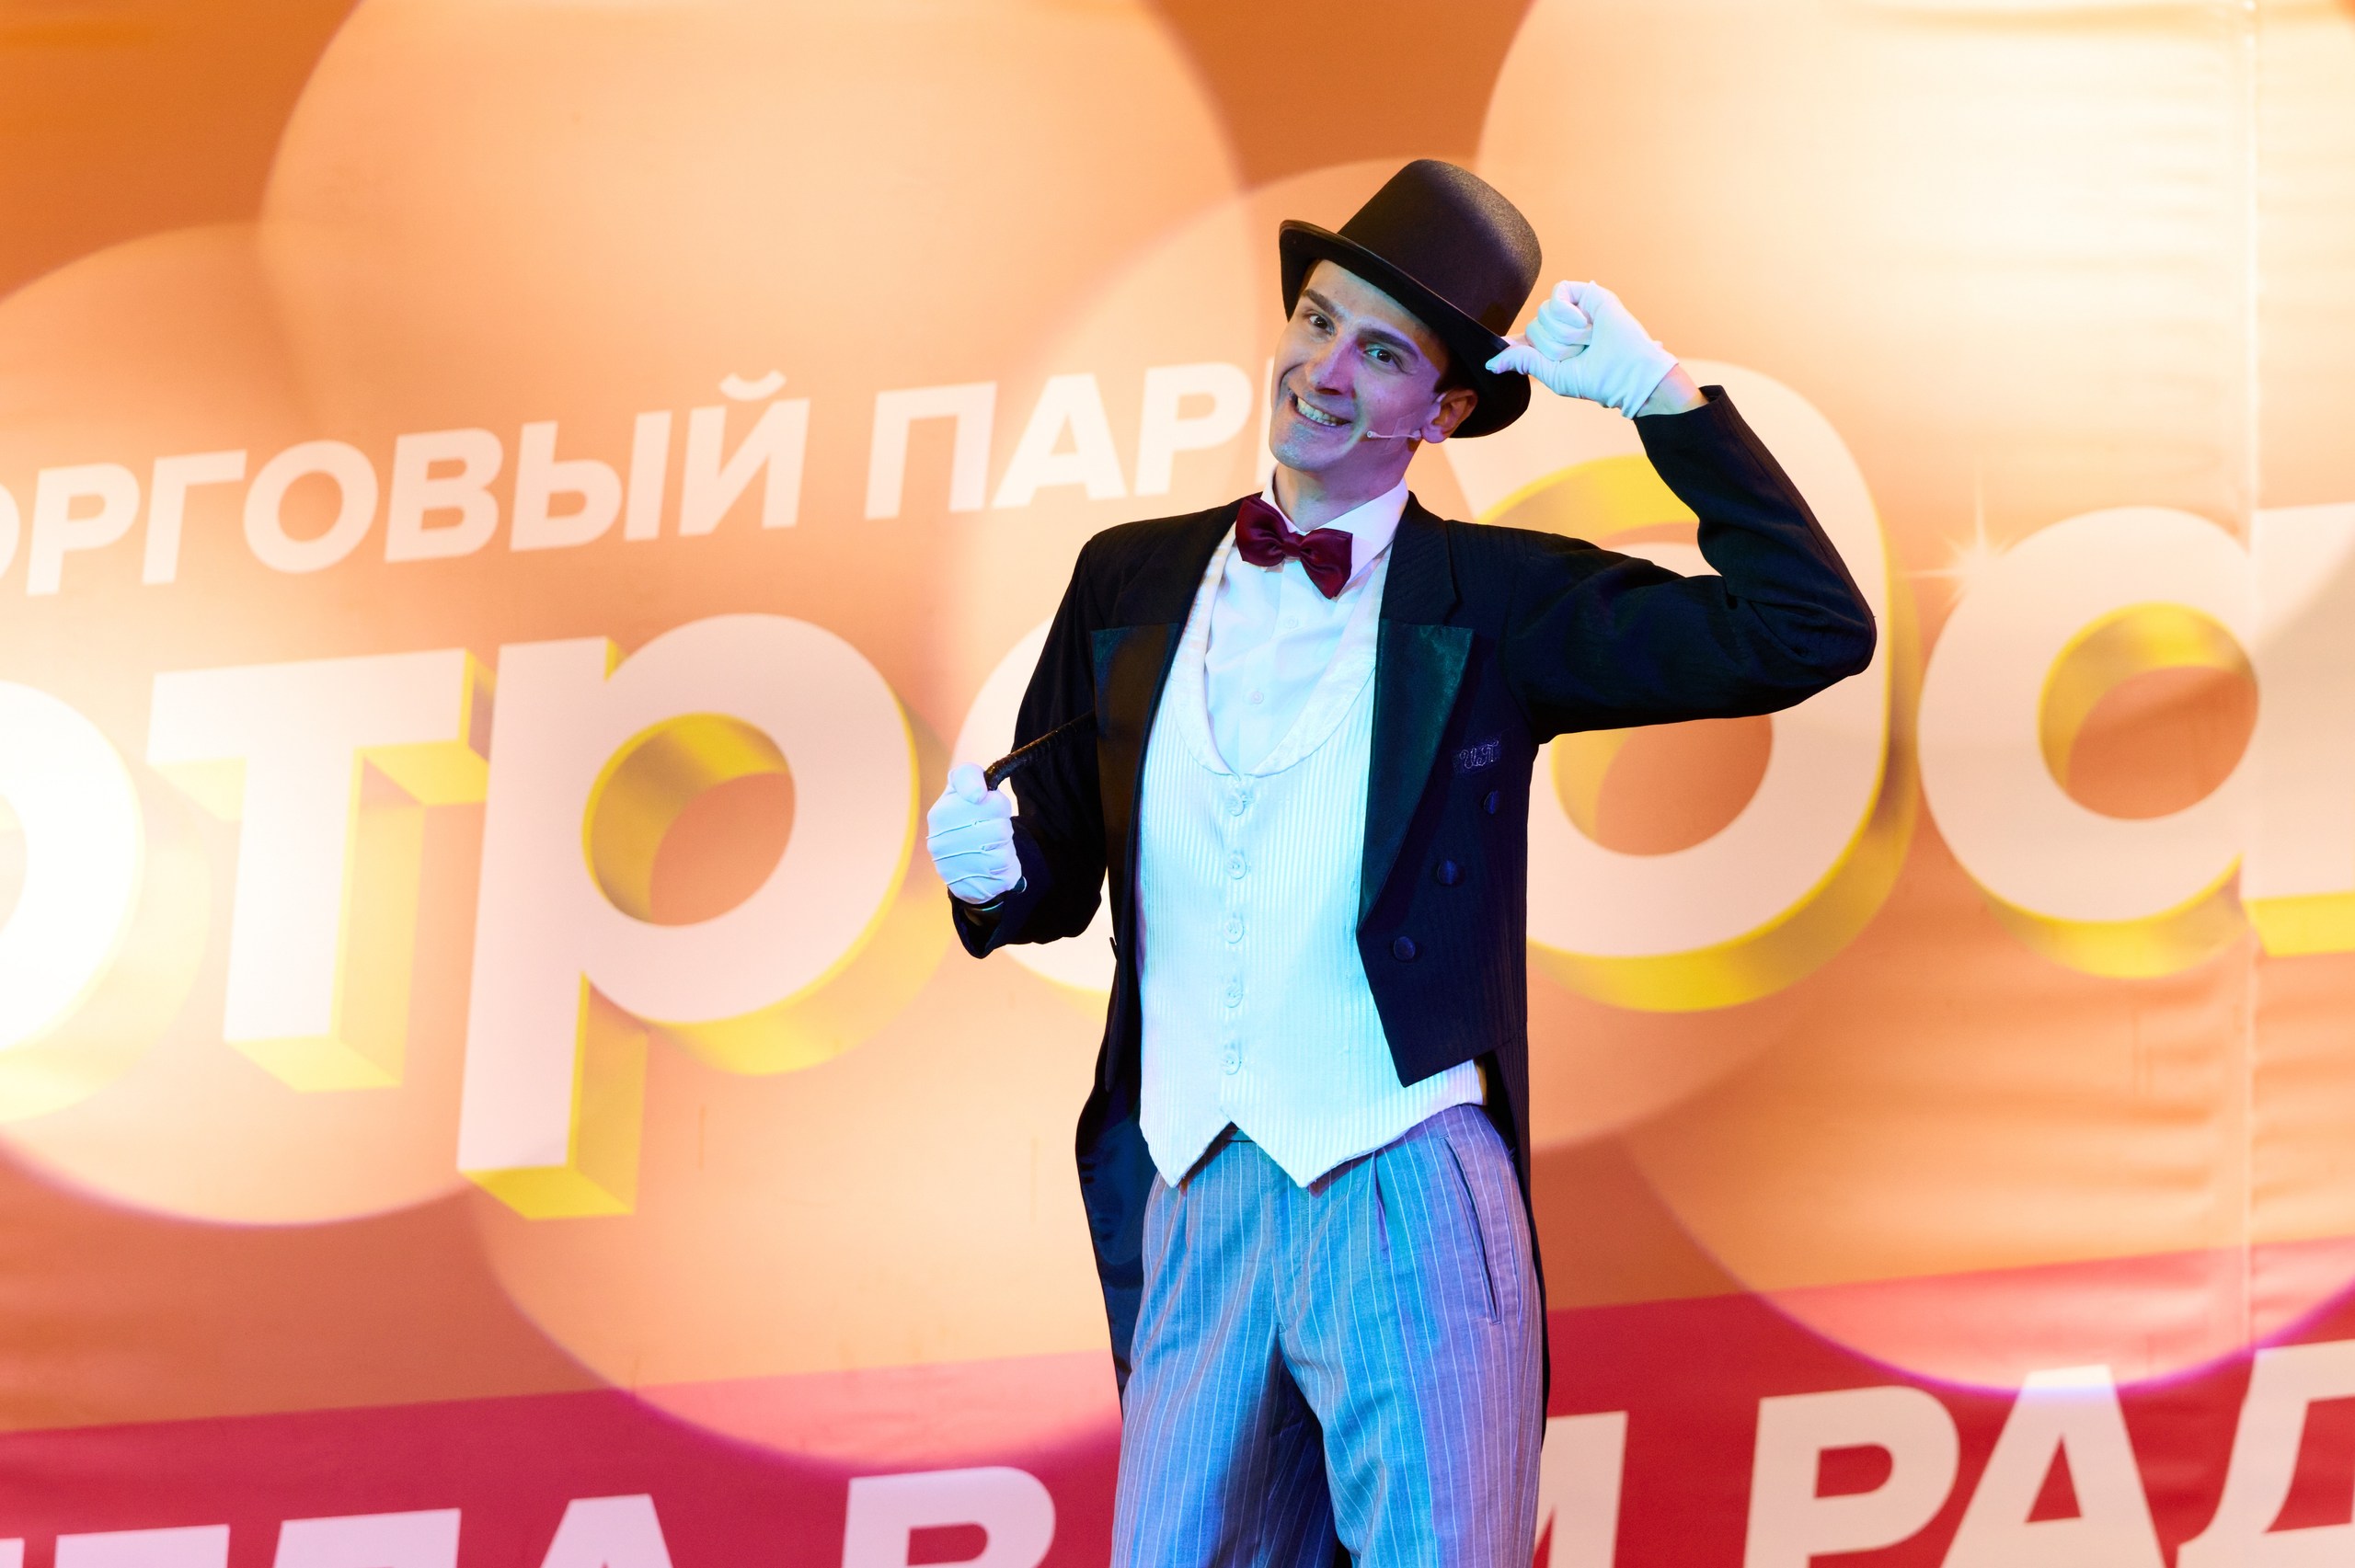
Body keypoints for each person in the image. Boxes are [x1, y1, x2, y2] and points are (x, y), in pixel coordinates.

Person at [925, 160, 1875, 1566]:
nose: (1323, 369)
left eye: (1380, 353)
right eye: (1316, 320)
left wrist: (1664, 400)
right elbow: (1049, 879)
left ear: (1444, 411)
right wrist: (989, 866)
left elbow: (1807, 628)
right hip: (1192, 1186)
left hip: (1406, 1186)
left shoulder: (1493, 600)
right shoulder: (1126, 579)